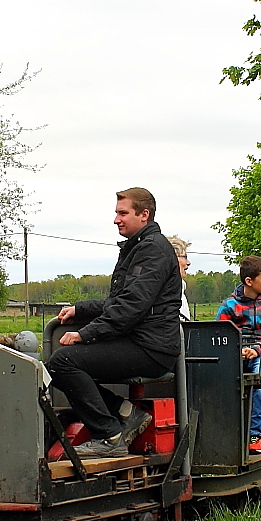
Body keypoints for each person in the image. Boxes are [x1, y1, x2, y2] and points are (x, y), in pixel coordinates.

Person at [47, 188, 183, 457]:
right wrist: (80, 309)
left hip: (151, 348)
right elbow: (120, 300)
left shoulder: (153, 250)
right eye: (116, 213)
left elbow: (131, 306)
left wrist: (84, 334)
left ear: (144, 215)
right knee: (59, 363)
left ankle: (109, 436)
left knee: (64, 362)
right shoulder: (138, 247)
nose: (116, 219)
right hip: (139, 341)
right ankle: (126, 413)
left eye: (123, 213)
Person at [216, 255, 261, 454]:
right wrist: (235, 350)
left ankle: (256, 435)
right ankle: (222, 432)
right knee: (215, 376)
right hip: (235, 353)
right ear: (249, 281)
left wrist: (256, 350)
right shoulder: (229, 305)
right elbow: (219, 334)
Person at [165, 235, 192, 321]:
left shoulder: (179, 288)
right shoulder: (166, 291)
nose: (188, 263)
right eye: (185, 257)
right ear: (172, 258)